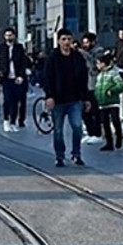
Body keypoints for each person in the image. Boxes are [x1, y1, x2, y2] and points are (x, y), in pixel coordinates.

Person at [42, 29, 92, 167]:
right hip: (58, 100)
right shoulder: (52, 58)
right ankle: (59, 155)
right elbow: (47, 78)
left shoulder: (77, 58)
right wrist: (49, 96)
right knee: (58, 129)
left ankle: (76, 154)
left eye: (69, 39)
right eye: (63, 39)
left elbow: (83, 78)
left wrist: (86, 98)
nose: (66, 42)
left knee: (77, 126)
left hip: (75, 99)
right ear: (58, 41)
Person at [0, 27, 30, 132]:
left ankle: (13, 122)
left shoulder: (19, 48)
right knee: (8, 99)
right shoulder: (1, 48)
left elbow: (23, 63)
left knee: (15, 101)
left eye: (10, 35)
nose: (8, 37)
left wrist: (21, 76)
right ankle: (6, 120)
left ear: (14, 36)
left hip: (17, 78)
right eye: (7, 35)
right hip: (6, 78)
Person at [94, 52, 123, 151]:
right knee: (105, 123)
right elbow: (98, 87)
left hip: (112, 102)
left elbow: (121, 85)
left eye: (99, 63)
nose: (97, 65)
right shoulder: (99, 75)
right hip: (102, 103)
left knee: (115, 120)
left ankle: (119, 136)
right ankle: (109, 143)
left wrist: (112, 91)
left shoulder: (113, 73)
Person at [79, 33, 104, 144]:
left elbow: (95, 66)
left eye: (87, 42)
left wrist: (84, 54)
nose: (85, 45)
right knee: (84, 110)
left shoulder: (99, 51)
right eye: (83, 43)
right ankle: (90, 132)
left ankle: (97, 133)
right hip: (84, 84)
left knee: (95, 110)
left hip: (95, 84)